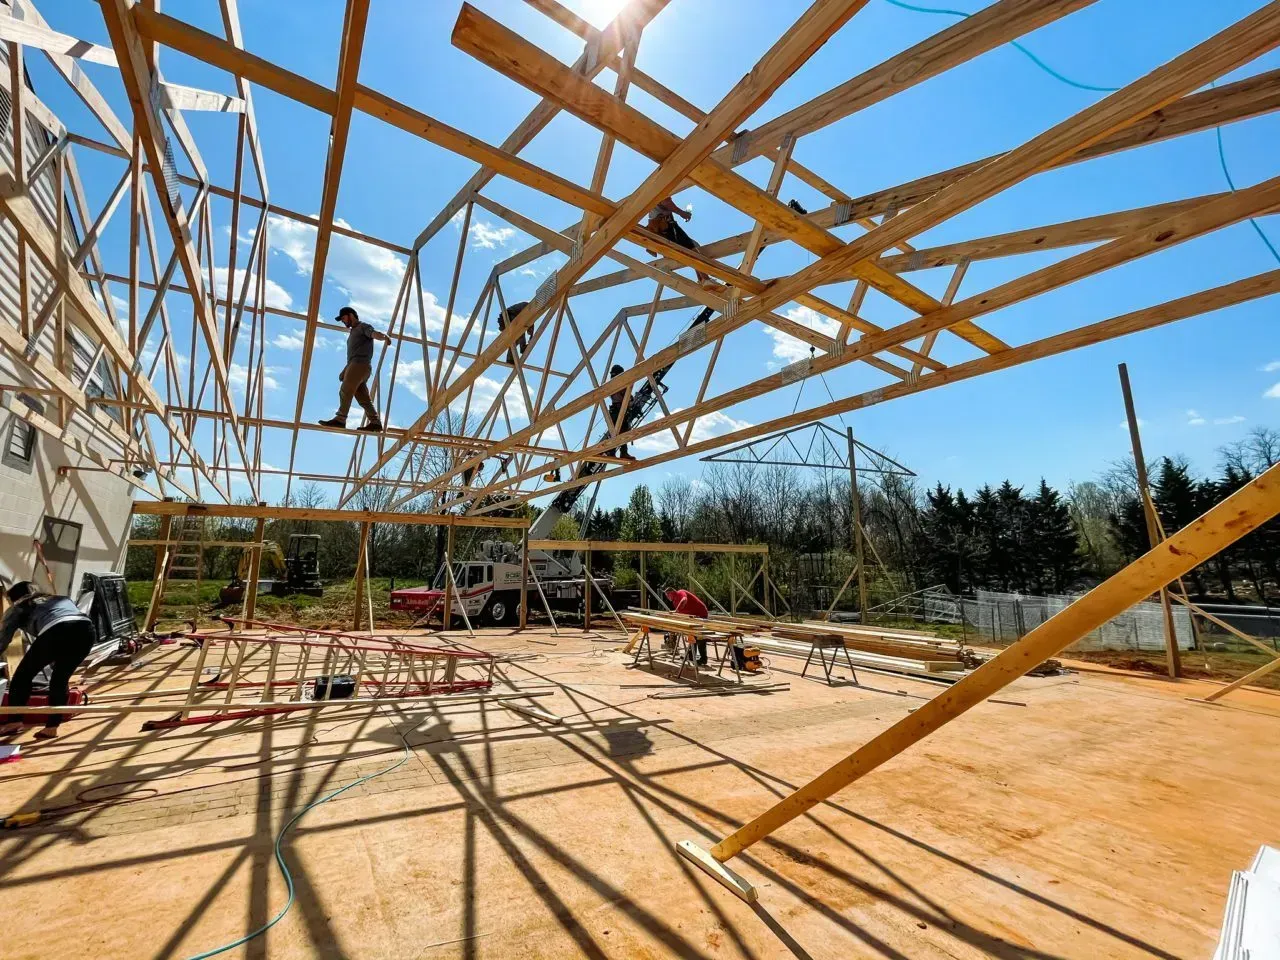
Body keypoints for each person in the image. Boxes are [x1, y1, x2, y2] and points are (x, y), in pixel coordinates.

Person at [0, 581, 96, 740]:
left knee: (22, 677)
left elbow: (3, 640)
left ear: (13, 598)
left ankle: (14, 721)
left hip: (57, 630)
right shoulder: (61, 599)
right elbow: (66, 624)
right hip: (86, 631)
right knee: (60, 679)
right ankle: (52, 727)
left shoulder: (18, 606)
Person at [318, 306, 390, 432]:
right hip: (357, 366)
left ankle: (340, 419)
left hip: (359, 365)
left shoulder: (362, 327)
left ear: (351, 315)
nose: (343, 321)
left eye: (343, 318)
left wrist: (384, 337)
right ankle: (375, 422)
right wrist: (345, 370)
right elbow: (353, 355)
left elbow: (373, 334)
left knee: (345, 390)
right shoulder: (353, 332)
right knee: (363, 398)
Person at [646, 197, 714, 288]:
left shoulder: (655, 193)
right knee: (691, 249)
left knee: (694, 246)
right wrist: (682, 213)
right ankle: (705, 280)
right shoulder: (662, 188)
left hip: (665, 226)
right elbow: (666, 202)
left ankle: (703, 280)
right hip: (665, 225)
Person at [665, 585, 710, 666]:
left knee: (699, 636)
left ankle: (703, 659)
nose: (667, 597)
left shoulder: (680, 592)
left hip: (701, 614)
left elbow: (684, 600)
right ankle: (691, 655)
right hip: (692, 617)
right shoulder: (675, 601)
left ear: (672, 592)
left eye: (668, 595)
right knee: (691, 635)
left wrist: (676, 611)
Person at [606, 363, 636, 460]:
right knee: (623, 433)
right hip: (620, 410)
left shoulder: (611, 384)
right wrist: (631, 399)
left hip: (614, 411)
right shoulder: (620, 384)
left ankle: (611, 451)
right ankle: (623, 453)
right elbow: (627, 398)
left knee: (615, 433)